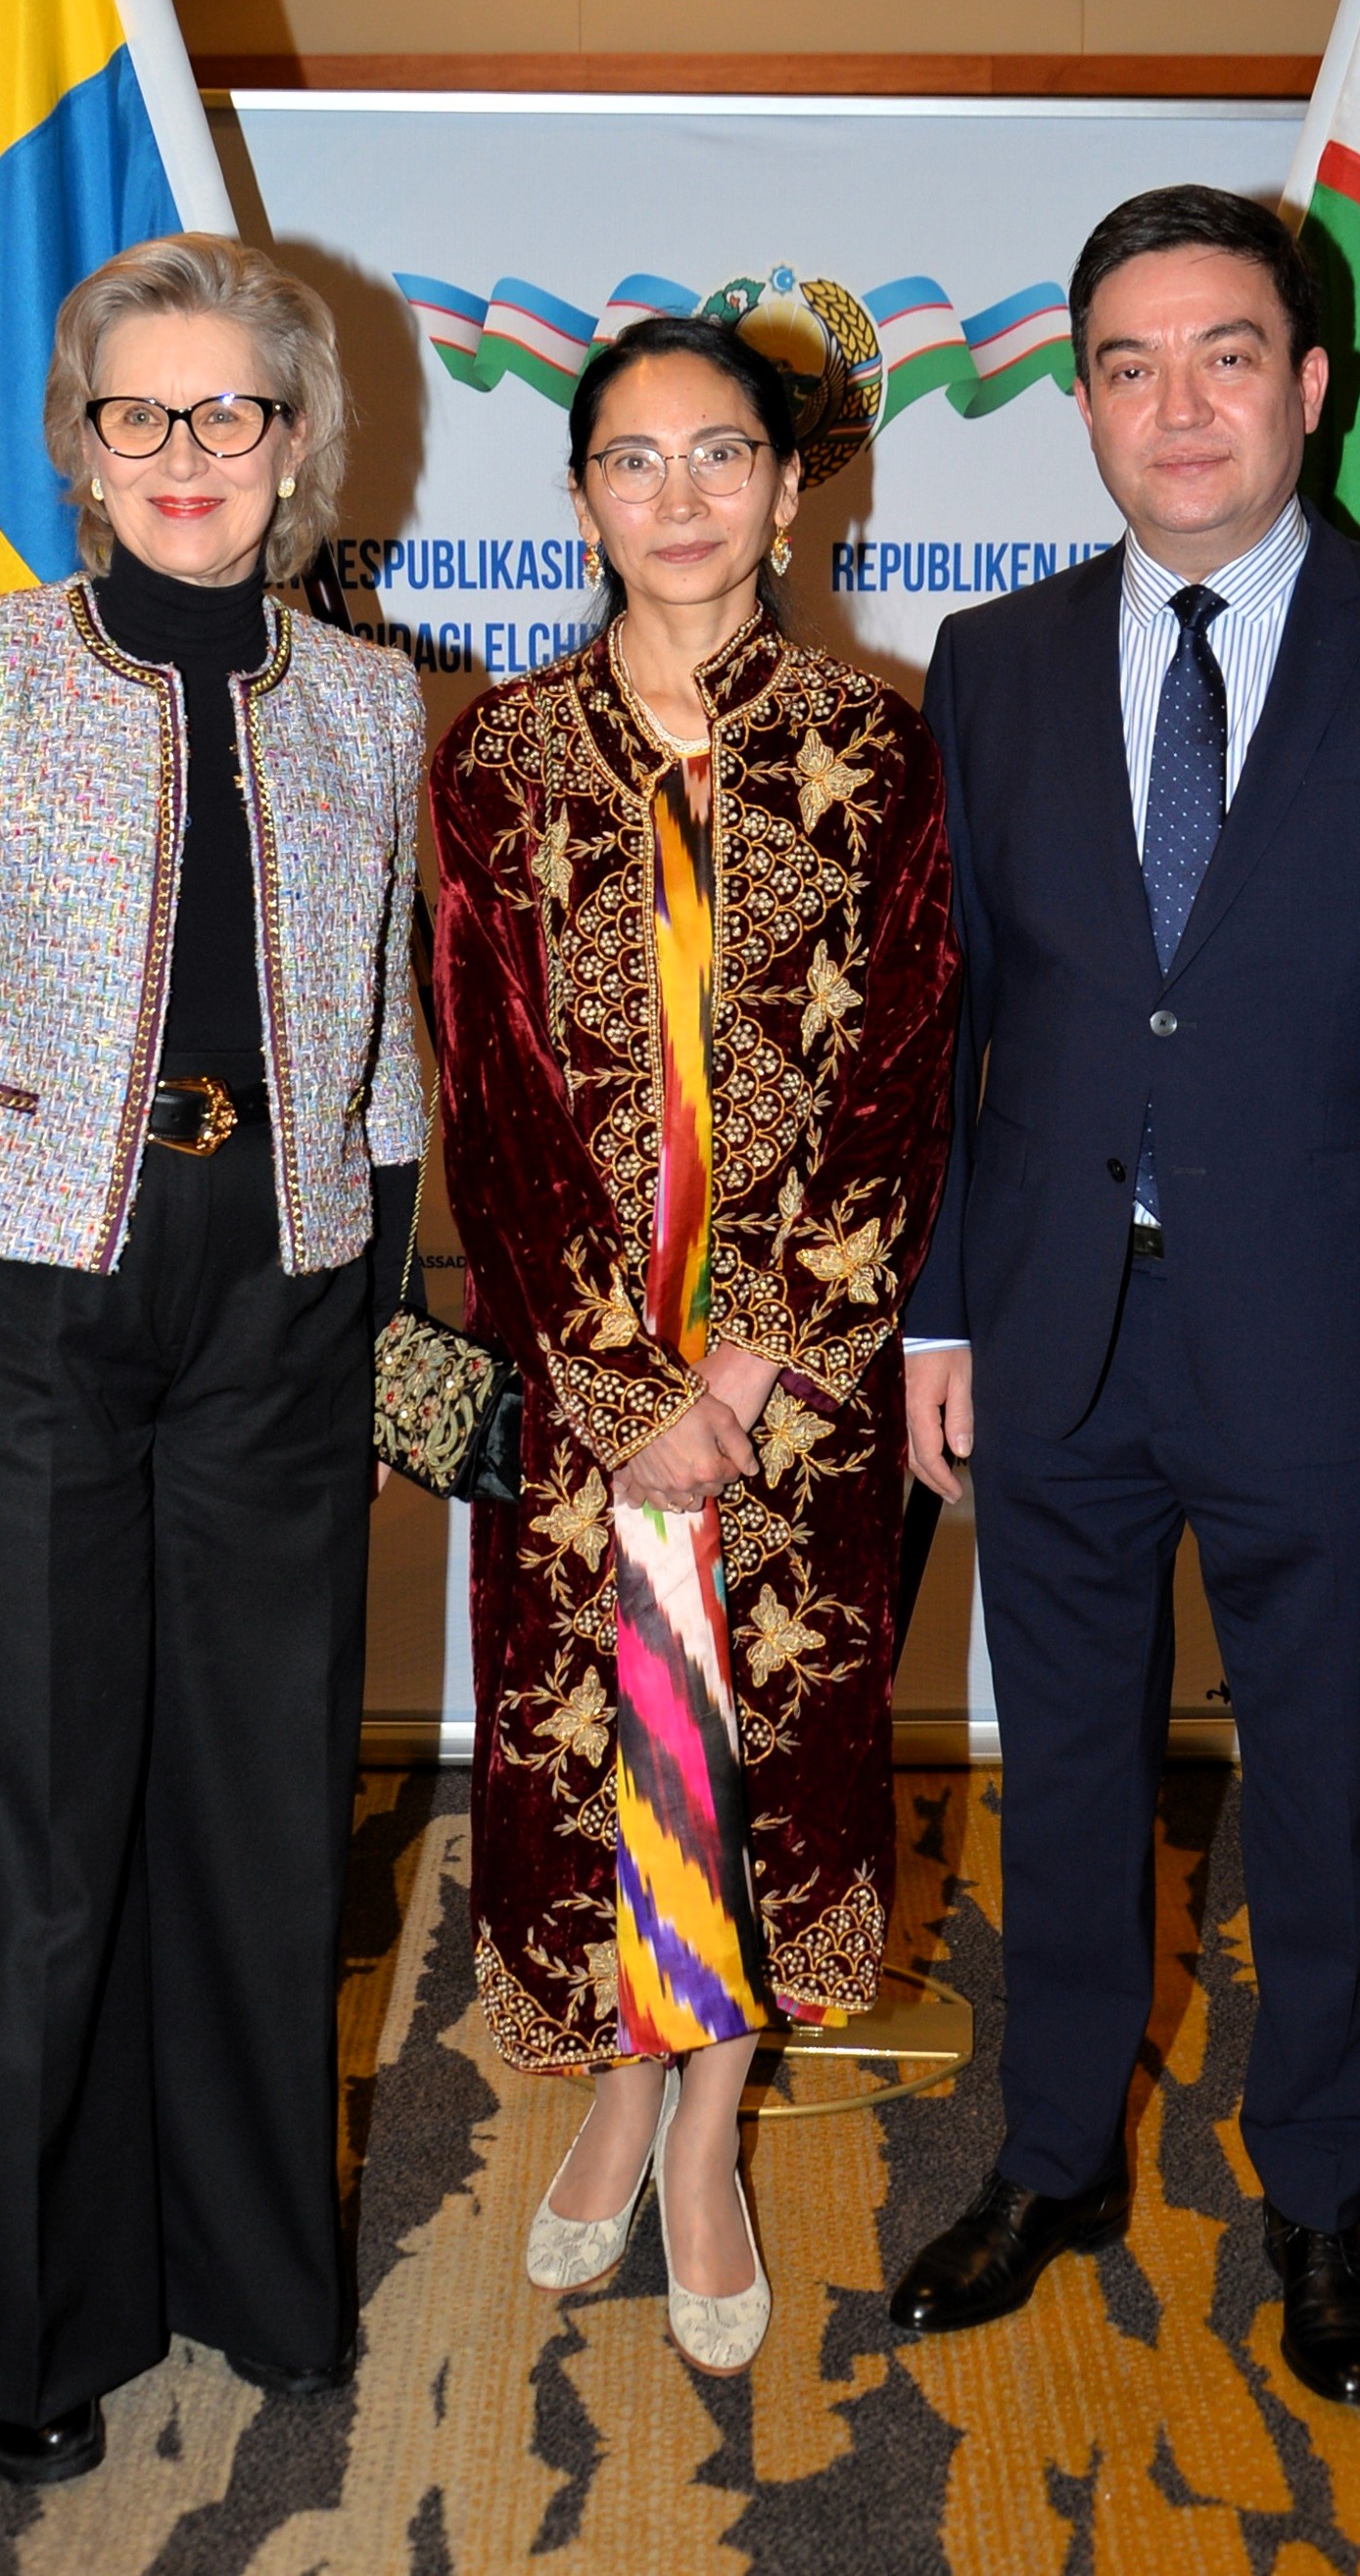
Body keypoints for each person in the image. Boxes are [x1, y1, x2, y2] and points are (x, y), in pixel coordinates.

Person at [889, 186, 1360, 2407]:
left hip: (1341, 1355)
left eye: (1222, 355)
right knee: (1061, 1780)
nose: (1175, 405)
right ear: (1083, 401)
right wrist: (934, 1316)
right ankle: (1053, 2158)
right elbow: (955, 1027)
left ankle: (1316, 2192)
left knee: (1321, 1795)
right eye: (1127, 362)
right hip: (1051, 1341)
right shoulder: (991, 663)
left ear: (1310, 384)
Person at [0, 233, 425, 2484]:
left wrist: (378, 1337)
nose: (182, 451)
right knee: (39, 1830)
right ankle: (27, 2317)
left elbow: (387, 1053)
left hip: (278, 1317)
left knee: (260, 1811)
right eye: (134, 411)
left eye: (227, 409)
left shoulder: (369, 698)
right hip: (4, 1308)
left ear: (294, 444)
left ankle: (251, 2268)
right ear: (79, 445)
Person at [430, 316, 960, 2375]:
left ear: (789, 486)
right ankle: (619, 2083)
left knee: (760, 1746)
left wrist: (738, 1375)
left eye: (719, 454)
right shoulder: (494, 758)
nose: (678, 497)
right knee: (597, 1735)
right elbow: (488, 1098)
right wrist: (623, 1384)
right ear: (579, 497)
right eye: (632, 460)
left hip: (789, 1389)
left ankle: (713, 2121)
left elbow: (902, 1076)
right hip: (580, 1375)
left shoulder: (880, 749)